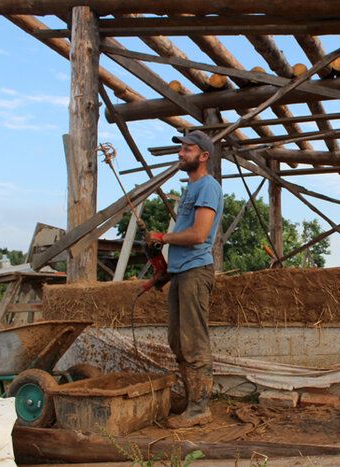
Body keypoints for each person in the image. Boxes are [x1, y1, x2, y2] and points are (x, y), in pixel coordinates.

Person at [145, 130, 224, 428]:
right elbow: (183, 238)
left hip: (195, 271)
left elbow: (198, 235)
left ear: (203, 156)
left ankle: (200, 408)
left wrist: (162, 236)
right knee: (177, 341)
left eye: (188, 150)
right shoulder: (191, 190)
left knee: (193, 341)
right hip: (181, 272)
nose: (181, 153)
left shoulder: (208, 187)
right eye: (181, 149)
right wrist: (161, 274)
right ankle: (193, 399)